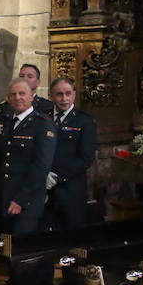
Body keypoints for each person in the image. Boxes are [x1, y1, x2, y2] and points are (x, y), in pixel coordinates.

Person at [0, 78, 56, 285]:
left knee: (26, 259)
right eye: (13, 95)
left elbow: (40, 167)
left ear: (32, 95)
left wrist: (20, 200)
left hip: (26, 204)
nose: (18, 98)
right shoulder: (9, 122)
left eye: (22, 94)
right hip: (6, 201)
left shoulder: (43, 125)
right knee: (12, 254)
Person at [47, 77, 96, 231]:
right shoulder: (42, 118)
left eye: (68, 93)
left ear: (74, 94)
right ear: (51, 96)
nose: (64, 99)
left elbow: (86, 158)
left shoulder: (84, 122)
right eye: (59, 94)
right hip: (43, 190)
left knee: (72, 239)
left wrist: (57, 175)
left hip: (71, 191)